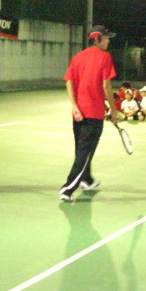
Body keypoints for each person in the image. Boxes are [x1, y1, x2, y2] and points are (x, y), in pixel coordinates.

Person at [61, 25, 118, 202]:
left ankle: (87, 180)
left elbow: (69, 82)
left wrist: (74, 106)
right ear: (97, 39)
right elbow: (106, 86)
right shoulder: (105, 57)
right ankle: (68, 188)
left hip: (78, 113)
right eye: (106, 38)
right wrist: (114, 110)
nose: (108, 41)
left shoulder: (78, 57)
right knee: (85, 153)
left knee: (82, 150)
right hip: (93, 114)